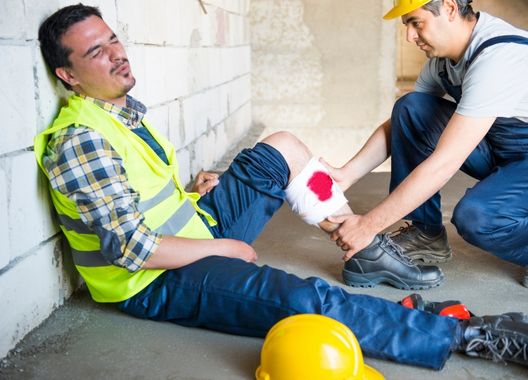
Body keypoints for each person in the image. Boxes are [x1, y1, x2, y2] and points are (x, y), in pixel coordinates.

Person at [35, 3, 528, 371]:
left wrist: (210, 191)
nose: (116, 55)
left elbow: (447, 159)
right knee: (303, 302)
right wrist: (227, 246)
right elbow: (130, 247)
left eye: (113, 40)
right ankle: (466, 333)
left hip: (195, 230)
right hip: (151, 278)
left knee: (285, 146)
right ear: (67, 75)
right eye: (96, 51)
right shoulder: (83, 139)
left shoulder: (120, 114)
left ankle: (366, 248)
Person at [323, 0, 528, 288]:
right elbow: (401, 124)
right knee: (411, 108)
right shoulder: (442, 64)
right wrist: (347, 173)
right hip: (503, 147)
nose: (409, 36)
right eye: (406, 24)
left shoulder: (498, 57)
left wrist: (368, 226)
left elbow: (445, 161)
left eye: (416, 23)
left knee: (478, 217)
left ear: (449, 8)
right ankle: (426, 234)